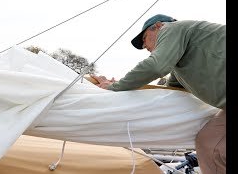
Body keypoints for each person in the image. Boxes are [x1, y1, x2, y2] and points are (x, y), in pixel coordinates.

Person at [90, 14, 226, 174]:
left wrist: (113, 89)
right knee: (210, 141)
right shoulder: (180, 65)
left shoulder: (173, 28)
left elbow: (156, 66)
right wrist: (118, 85)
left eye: (145, 38)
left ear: (159, 26)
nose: (144, 46)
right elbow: (167, 92)